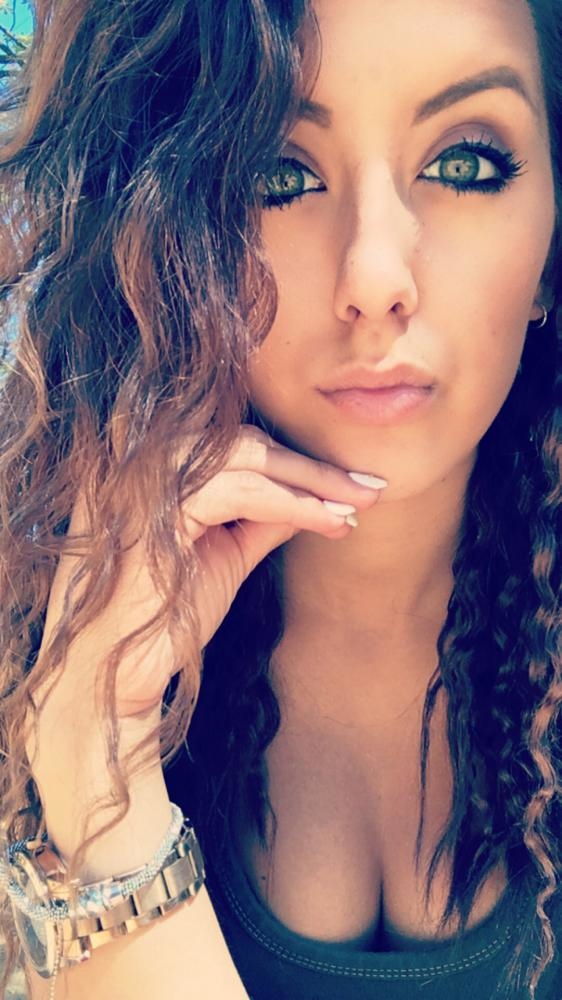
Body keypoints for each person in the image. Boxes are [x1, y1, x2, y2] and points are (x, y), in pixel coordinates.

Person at [0, 0, 560, 997]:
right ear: (171, 235)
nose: (374, 277)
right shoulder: (34, 626)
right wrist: (92, 746)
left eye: (465, 164)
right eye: (278, 176)